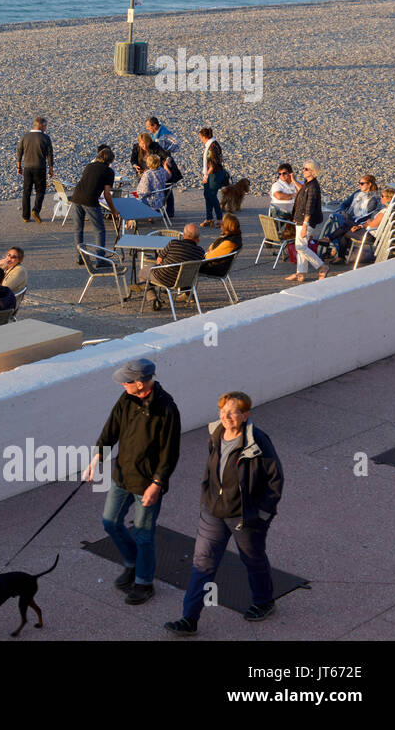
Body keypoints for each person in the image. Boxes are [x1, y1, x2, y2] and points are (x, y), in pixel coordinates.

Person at [164, 391, 283, 634]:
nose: (226, 416)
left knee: (253, 559)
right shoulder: (216, 433)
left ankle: (264, 601)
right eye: (222, 411)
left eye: (232, 412)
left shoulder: (257, 441)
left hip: (244, 517)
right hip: (213, 512)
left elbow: (275, 479)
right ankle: (189, 618)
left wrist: (261, 515)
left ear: (245, 415)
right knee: (202, 563)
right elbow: (211, 469)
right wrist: (206, 496)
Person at [82, 358, 182, 606]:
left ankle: (144, 583)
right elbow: (110, 430)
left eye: (126, 381)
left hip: (147, 483)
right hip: (122, 476)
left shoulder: (167, 409)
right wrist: (97, 458)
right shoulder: (126, 399)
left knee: (144, 534)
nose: (122, 385)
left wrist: (157, 484)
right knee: (110, 522)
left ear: (140, 383)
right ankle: (132, 562)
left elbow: (170, 453)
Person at [70, 146, 119, 259]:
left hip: (76, 197)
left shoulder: (90, 166)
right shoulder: (109, 172)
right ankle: (100, 258)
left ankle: (80, 257)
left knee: (78, 229)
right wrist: (113, 209)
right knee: (99, 230)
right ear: (110, 161)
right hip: (90, 200)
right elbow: (107, 194)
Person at [142, 224, 204, 306]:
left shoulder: (173, 243)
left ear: (184, 235)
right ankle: (187, 294)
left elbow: (159, 261)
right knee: (185, 268)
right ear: (198, 239)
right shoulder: (200, 252)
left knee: (143, 272)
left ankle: (153, 299)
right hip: (185, 281)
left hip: (164, 277)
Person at [331, 187, 395, 264]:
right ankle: (330, 240)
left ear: (389, 198)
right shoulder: (391, 210)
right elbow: (372, 223)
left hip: (371, 236)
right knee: (348, 224)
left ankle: (338, 253)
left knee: (345, 232)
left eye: (382, 196)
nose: (380, 197)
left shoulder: (385, 212)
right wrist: (360, 226)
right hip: (369, 232)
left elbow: (372, 225)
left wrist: (369, 221)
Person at [286, 160, 327, 282]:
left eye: (306, 169)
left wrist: (305, 225)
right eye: (303, 168)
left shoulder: (313, 187)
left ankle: (322, 266)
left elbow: (309, 208)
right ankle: (301, 273)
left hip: (306, 221)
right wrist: (294, 181)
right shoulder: (308, 184)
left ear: (313, 172)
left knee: (300, 247)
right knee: (302, 246)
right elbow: (303, 191)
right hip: (301, 219)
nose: (303, 170)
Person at [16, 118, 54, 222]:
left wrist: (19, 167)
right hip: (40, 168)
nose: (46, 128)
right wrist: (51, 168)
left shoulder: (25, 137)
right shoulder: (45, 138)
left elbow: (19, 152)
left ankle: (25, 216)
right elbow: (50, 154)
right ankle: (36, 210)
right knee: (40, 191)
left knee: (26, 192)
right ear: (41, 126)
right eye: (45, 126)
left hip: (27, 168)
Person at [198, 127, 228, 227]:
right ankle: (209, 218)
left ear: (204, 137)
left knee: (212, 195)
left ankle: (219, 218)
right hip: (210, 173)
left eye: (201, 137)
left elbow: (214, 164)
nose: (200, 139)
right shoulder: (210, 144)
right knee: (207, 195)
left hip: (214, 174)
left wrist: (206, 175)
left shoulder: (213, 146)